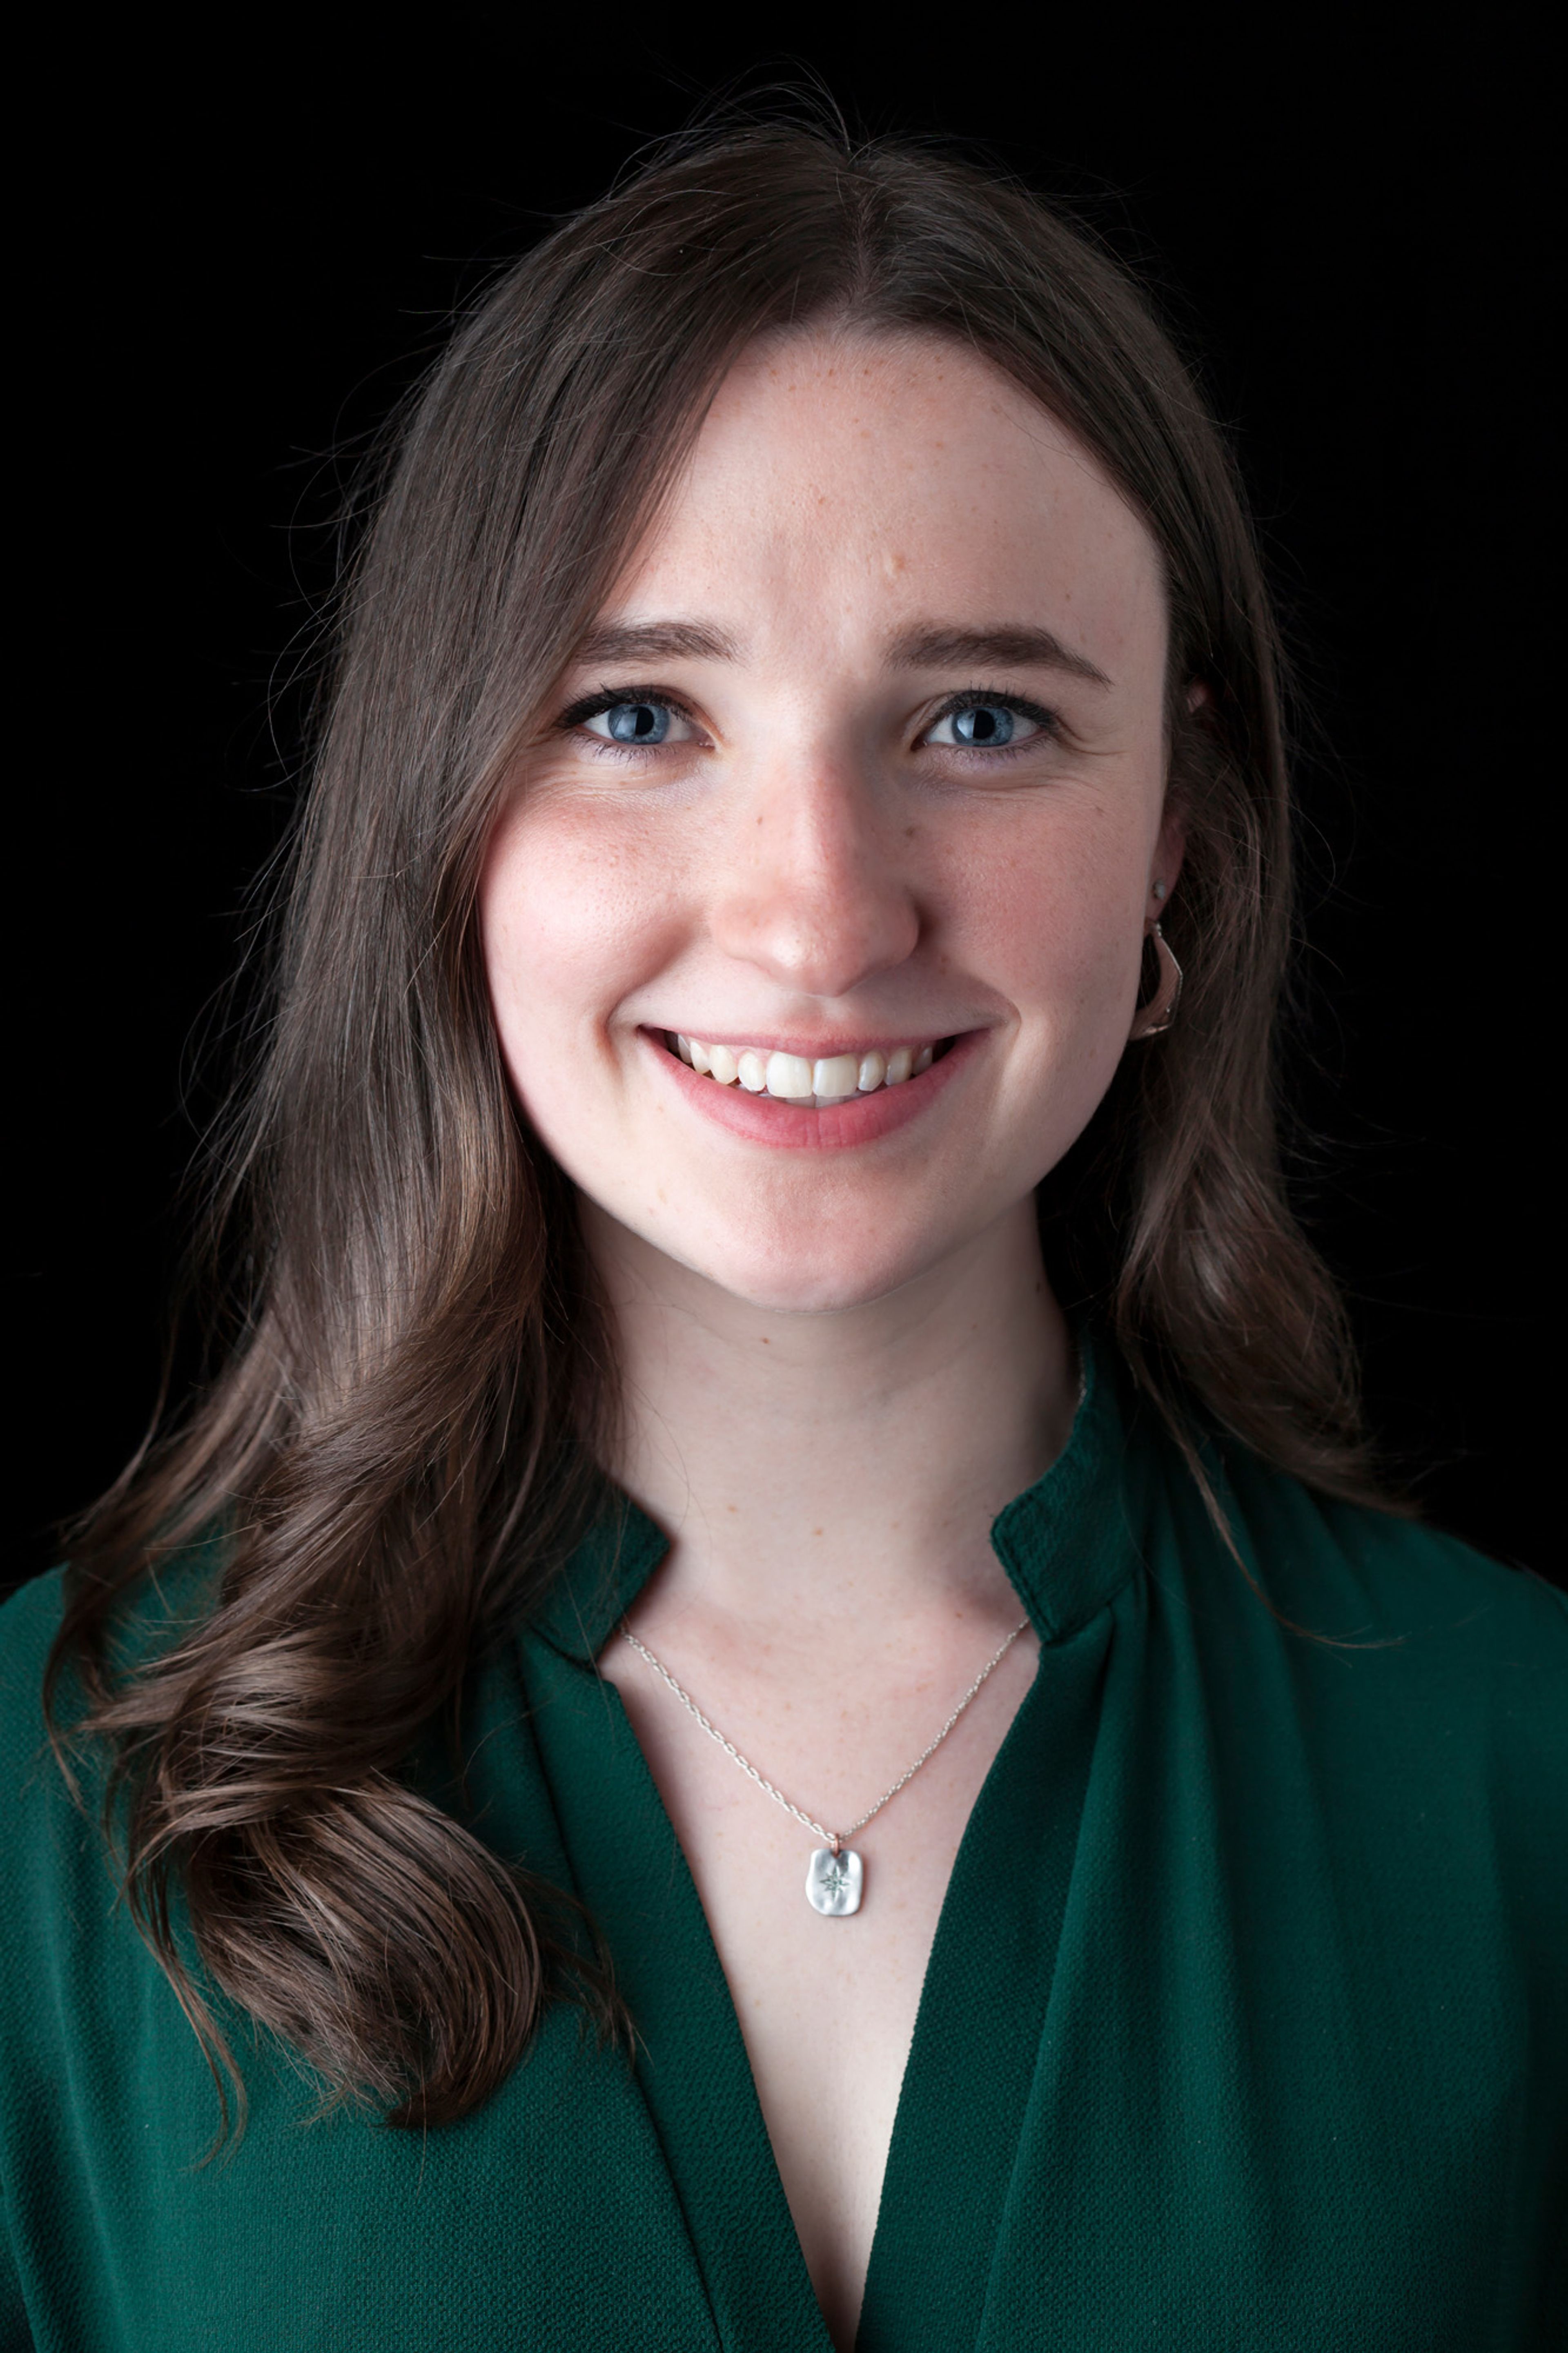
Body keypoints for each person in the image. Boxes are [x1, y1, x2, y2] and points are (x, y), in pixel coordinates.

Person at [2, 119, 1561, 2353]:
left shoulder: (1526, 1771)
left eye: (982, 719)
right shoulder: (44, 1809)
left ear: (1183, 847)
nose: (822, 909)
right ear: (450, 830)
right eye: (638, 715)